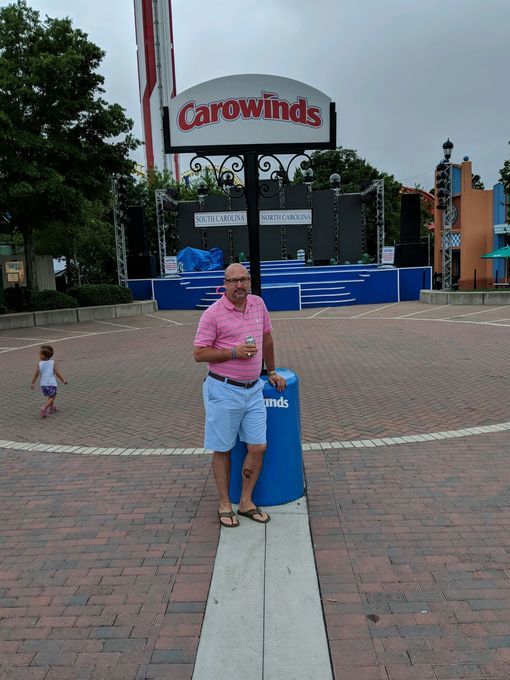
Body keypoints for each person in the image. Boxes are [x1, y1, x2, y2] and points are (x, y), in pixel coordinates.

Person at [193, 263, 286, 528]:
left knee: (258, 446)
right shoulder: (213, 314)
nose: (239, 285)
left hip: (253, 389)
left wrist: (271, 371)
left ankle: (246, 501)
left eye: (243, 280)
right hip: (223, 389)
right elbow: (199, 353)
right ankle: (225, 503)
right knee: (222, 448)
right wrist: (233, 352)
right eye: (233, 281)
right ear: (224, 284)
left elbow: (267, 338)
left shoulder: (258, 304)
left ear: (249, 281)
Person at [31, 345, 68, 418]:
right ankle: (44, 407)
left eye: (40, 354)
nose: (39, 355)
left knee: (50, 395)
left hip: (43, 384)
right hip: (51, 383)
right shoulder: (53, 363)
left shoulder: (39, 364)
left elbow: (36, 374)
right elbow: (57, 373)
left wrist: (32, 383)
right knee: (52, 396)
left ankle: (52, 408)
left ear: (44, 356)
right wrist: (63, 380)